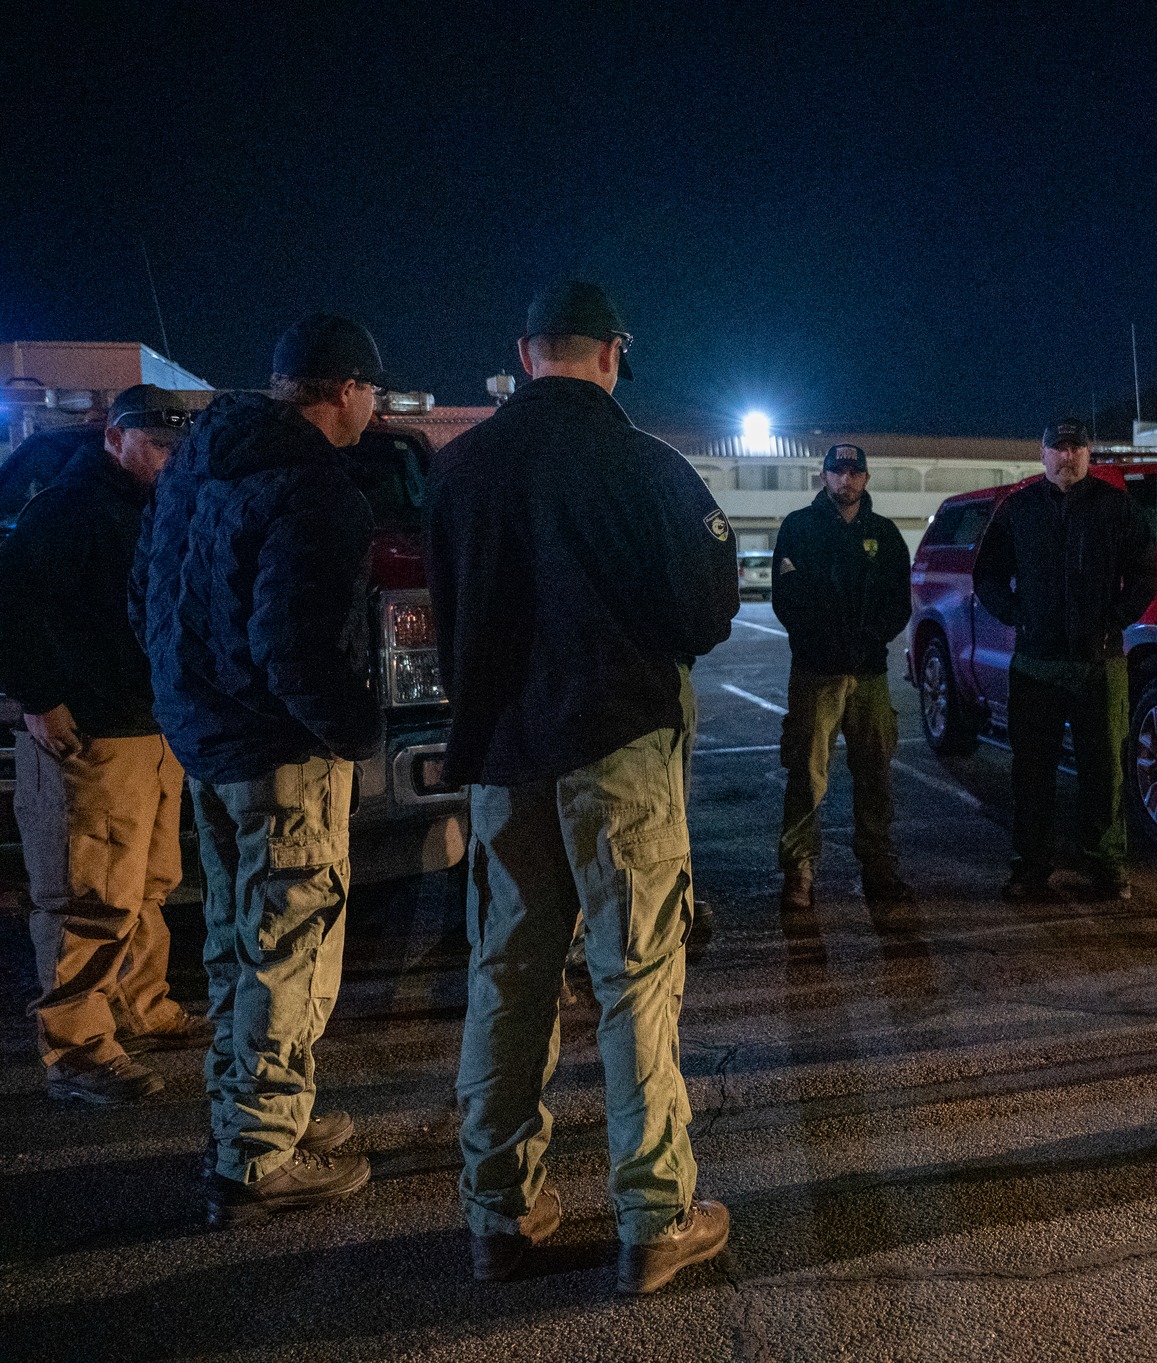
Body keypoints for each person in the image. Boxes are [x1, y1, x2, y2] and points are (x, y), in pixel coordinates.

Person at [427, 279, 738, 1294]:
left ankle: (497, 1213)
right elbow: (702, 612)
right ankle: (654, 1216)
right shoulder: (647, 467)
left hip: (505, 755)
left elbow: (445, 616)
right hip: (618, 748)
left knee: (508, 978)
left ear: (524, 354)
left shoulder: (461, 467)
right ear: (614, 353)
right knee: (633, 977)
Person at [136, 318, 388, 1222]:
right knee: (290, 944)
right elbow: (296, 644)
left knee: (236, 941)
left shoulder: (200, 463)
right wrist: (355, 730)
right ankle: (257, 1155)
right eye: (372, 391)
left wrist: (188, 702)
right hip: (281, 753)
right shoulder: (317, 488)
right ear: (344, 390)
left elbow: (148, 598)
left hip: (206, 743)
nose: (375, 406)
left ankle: (247, 1110)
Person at [0, 387, 208, 1105]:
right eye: (156, 445)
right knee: (86, 893)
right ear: (115, 438)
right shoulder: (68, 508)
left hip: (149, 726)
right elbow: (13, 603)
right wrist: (40, 698)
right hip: (87, 733)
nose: (169, 459)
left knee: (145, 884)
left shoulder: (152, 507)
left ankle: (139, 1008)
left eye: (178, 448)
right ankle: (78, 1049)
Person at [972, 418, 1156, 902]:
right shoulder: (1019, 510)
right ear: (1043, 453)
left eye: (1076, 448)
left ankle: (1107, 865)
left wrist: (1113, 620)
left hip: (1100, 663)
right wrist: (1018, 616)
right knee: (1032, 771)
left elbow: (1143, 574)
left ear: (1088, 454)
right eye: (1058, 448)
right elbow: (987, 574)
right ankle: (1031, 866)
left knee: (1105, 770)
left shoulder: (1116, 508)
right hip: (1036, 663)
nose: (1067, 456)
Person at [772, 442, 916, 914]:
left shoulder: (885, 534)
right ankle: (800, 871)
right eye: (838, 472)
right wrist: (827, 641)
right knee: (807, 774)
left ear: (866, 479)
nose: (846, 480)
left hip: (870, 674)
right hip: (816, 673)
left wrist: (868, 639)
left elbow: (898, 603)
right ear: (824, 477)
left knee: (874, 774)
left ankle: (878, 866)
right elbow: (787, 600)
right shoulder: (799, 528)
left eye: (855, 472)